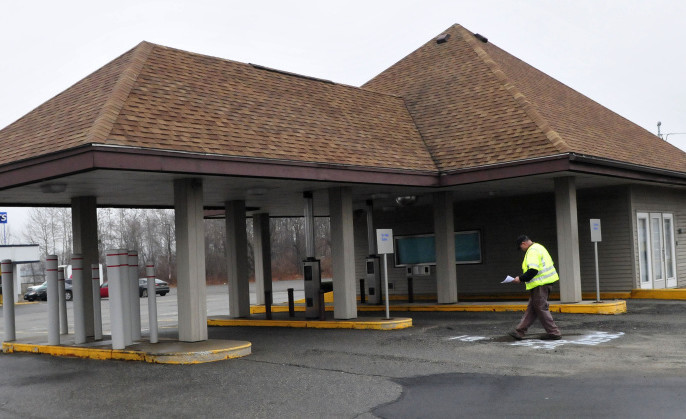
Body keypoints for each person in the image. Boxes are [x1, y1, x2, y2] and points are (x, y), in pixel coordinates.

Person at [508, 235, 562, 340]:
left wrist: (520, 278)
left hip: (540, 284)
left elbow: (533, 270)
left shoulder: (532, 251)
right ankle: (519, 332)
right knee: (532, 309)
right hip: (545, 283)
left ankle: (554, 332)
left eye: (521, 247)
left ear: (523, 243)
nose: (522, 250)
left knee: (541, 308)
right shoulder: (539, 247)